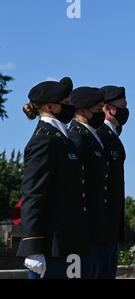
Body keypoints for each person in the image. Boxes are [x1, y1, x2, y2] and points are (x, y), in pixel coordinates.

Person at [17, 77, 89, 279]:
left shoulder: (61, 138)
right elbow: (33, 193)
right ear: (50, 106)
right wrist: (32, 246)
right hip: (51, 247)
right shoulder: (44, 140)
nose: (71, 107)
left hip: (68, 243)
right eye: (66, 104)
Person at [68, 87, 107, 279]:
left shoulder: (91, 135)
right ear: (83, 110)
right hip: (83, 227)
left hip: (95, 225)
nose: (101, 113)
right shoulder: (77, 136)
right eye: (98, 109)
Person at [96, 85, 129, 279]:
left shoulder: (111, 135)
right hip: (101, 226)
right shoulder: (99, 134)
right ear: (108, 109)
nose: (126, 110)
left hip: (110, 226)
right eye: (122, 106)